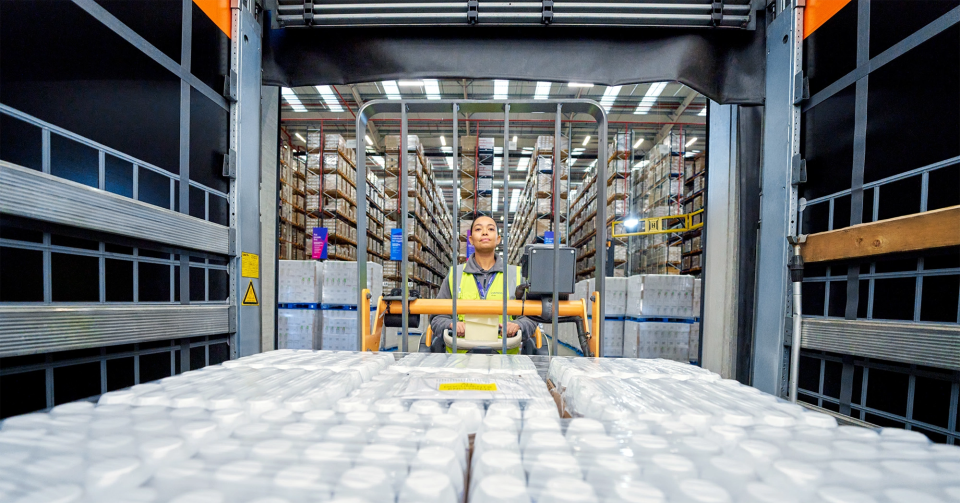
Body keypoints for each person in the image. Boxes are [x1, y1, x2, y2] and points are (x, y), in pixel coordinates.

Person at [429, 214, 537, 353]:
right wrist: (450, 324)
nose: (485, 232)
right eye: (479, 229)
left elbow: (533, 316)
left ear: (498, 239)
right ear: (471, 240)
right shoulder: (455, 275)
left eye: (491, 229)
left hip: (504, 356)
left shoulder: (517, 275)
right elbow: (437, 317)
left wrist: (518, 325)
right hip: (461, 358)